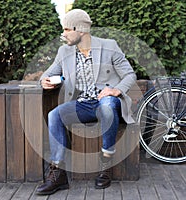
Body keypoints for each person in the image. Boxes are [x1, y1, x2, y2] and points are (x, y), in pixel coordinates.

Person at [36, 9, 136, 195]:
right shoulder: (64, 51)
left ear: (80, 30)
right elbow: (47, 75)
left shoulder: (109, 46)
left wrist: (116, 90)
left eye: (67, 29)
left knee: (107, 106)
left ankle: (106, 164)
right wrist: (44, 81)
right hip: (82, 104)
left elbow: (130, 74)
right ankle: (58, 173)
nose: (63, 34)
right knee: (54, 115)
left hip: (106, 102)